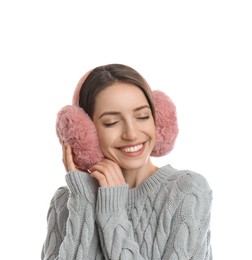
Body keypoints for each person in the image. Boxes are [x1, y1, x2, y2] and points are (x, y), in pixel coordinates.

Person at [41, 64, 212, 260]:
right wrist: (84, 199)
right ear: (86, 132)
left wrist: (113, 211)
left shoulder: (187, 190)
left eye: (142, 116)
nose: (131, 134)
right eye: (111, 122)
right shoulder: (68, 200)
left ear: (158, 121)